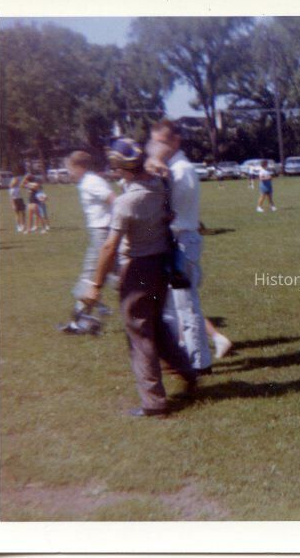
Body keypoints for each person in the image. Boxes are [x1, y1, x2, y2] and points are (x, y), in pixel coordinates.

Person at [80, 137, 198, 417]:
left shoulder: (126, 202)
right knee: (156, 325)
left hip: (137, 270)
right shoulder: (160, 186)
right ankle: (187, 371)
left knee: (139, 334)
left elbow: (109, 247)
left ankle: (154, 402)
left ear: (121, 167)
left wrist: (94, 285)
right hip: (161, 265)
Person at [148, 119, 213, 375]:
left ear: (176, 141)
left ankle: (199, 362)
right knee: (171, 307)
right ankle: (182, 356)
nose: (157, 148)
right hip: (173, 242)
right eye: (154, 143)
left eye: (162, 142)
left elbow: (168, 210)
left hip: (182, 241)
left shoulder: (181, 170)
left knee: (186, 305)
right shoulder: (170, 168)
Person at [64, 150, 118, 329]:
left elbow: (114, 201)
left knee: (90, 275)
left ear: (79, 167)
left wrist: (115, 225)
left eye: (70, 169)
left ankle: (79, 321)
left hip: (102, 233)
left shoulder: (91, 182)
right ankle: (95, 311)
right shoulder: (88, 182)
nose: (69, 173)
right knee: (115, 276)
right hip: (100, 232)